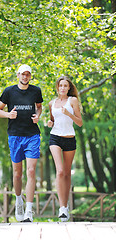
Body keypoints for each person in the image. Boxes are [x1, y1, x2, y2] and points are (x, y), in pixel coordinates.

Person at [0, 64, 43, 222]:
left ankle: (29, 210)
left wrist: (37, 116)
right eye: (23, 74)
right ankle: (19, 201)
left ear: (30, 76)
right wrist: (8, 114)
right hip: (15, 136)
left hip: (32, 135)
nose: (25, 77)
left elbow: (39, 108)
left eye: (28, 74)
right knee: (17, 174)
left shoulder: (36, 91)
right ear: (18, 75)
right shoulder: (9, 91)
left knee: (30, 171)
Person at [47, 75, 83, 222]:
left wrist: (69, 114)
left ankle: (65, 205)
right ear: (57, 87)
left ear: (69, 88)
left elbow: (80, 123)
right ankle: (62, 208)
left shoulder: (72, 101)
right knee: (60, 171)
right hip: (55, 137)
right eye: (60, 85)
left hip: (69, 138)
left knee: (67, 173)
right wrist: (50, 122)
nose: (62, 88)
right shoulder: (51, 103)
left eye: (65, 85)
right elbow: (52, 120)